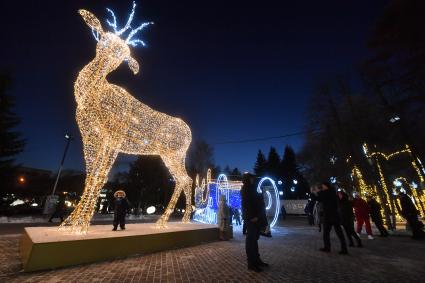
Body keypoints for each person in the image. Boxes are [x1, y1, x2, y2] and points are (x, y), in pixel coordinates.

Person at [241, 173, 269, 272]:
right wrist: (253, 217)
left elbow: (255, 201)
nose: (253, 180)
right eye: (252, 178)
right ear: (248, 179)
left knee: (254, 241)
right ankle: (251, 263)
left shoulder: (251, 188)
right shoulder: (246, 189)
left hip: (255, 218)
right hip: (252, 219)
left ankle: (256, 260)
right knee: (251, 241)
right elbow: (247, 205)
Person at [311, 182, 348, 254]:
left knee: (327, 233)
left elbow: (318, 198)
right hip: (334, 216)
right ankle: (344, 249)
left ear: (326, 186)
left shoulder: (326, 193)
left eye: (323, 186)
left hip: (329, 216)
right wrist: (314, 192)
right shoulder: (332, 192)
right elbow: (319, 198)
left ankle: (327, 247)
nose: (322, 187)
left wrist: (314, 192)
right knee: (339, 233)